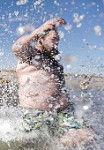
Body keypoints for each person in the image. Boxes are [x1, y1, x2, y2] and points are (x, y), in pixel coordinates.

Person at [12, 18, 95, 146]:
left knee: (89, 135)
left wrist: (83, 89)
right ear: (41, 39)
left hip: (64, 112)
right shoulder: (32, 55)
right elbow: (17, 47)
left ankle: (56, 144)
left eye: (58, 40)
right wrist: (39, 30)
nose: (56, 43)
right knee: (23, 143)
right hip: (37, 113)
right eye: (53, 39)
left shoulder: (55, 61)